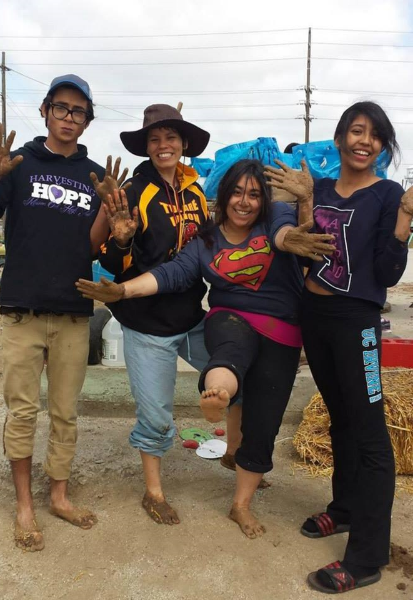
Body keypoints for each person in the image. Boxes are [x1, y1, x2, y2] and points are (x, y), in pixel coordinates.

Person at [76, 159, 335, 538]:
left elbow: (286, 232)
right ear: (224, 194)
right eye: (236, 192)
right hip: (202, 320)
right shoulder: (203, 240)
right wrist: (121, 290)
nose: (244, 202)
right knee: (226, 357)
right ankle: (207, 408)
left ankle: (239, 485)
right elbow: (170, 273)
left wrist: (302, 211)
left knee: (263, 419)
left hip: (265, 329)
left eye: (253, 194)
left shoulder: (269, 215)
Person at [0, 74, 127, 552]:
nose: (69, 118)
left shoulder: (95, 174)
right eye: (61, 108)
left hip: (74, 310)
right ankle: (24, 505)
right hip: (21, 310)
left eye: (79, 111)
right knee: (22, 411)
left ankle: (58, 495)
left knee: (65, 412)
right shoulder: (18, 165)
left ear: (87, 119)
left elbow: (91, 243)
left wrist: (113, 224)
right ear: (45, 110)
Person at [266, 101, 413, 594]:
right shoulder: (322, 188)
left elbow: (389, 272)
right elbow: (311, 254)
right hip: (316, 316)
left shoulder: (388, 194)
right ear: (340, 137)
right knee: (339, 416)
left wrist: (406, 218)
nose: (363, 141)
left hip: (357, 323)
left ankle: (368, 556)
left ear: (383, 146)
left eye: (374, 135)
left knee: (370, 434)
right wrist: (304, 204)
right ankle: (345, 509)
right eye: (355, 130)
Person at [93, 104, 211, 526]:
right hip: (146, 321)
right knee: (157, 414)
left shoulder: (195, 191)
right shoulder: (133, 190)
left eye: (171, 138)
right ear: (146, 146)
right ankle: (154, 492)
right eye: (155, 139)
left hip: (192, 314)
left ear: (183, 145)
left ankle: (238, 453)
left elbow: (207, 246)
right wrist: (122, 241)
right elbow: (112, 264)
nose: (164, 145)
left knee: (238, 373)